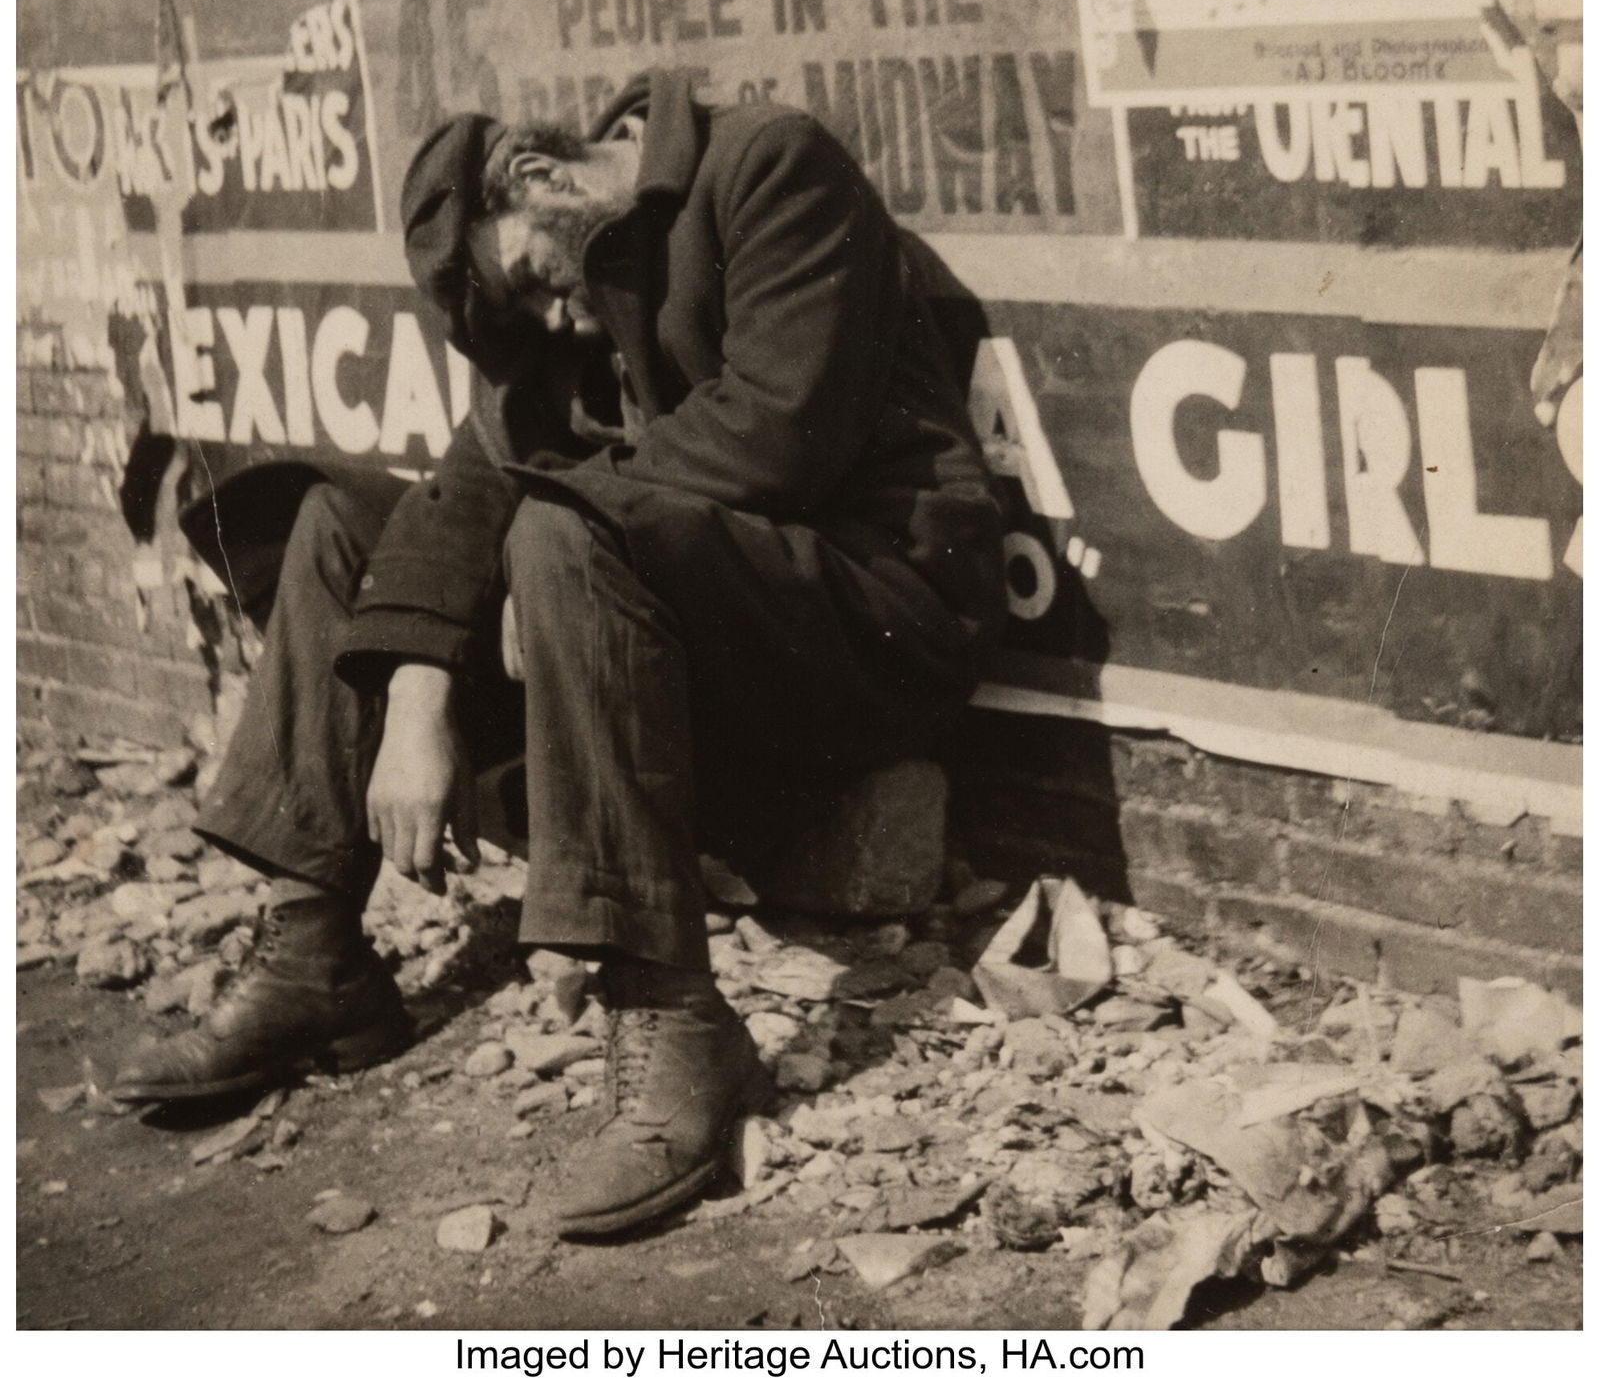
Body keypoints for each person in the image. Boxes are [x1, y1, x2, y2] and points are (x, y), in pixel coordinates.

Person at [113, 68, 1007, 1236]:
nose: (554, 321)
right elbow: (467, 485)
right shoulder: (573, 296)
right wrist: (420, 696)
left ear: (540, 176)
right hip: (708, 619)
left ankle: (672, 1013)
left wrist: (550, 540)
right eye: (530, 314)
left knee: (559, 527)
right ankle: (313, 955)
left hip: (871, 608)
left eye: (534, 281)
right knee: (338, 524)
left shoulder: (766, 165)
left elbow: (777, 437)